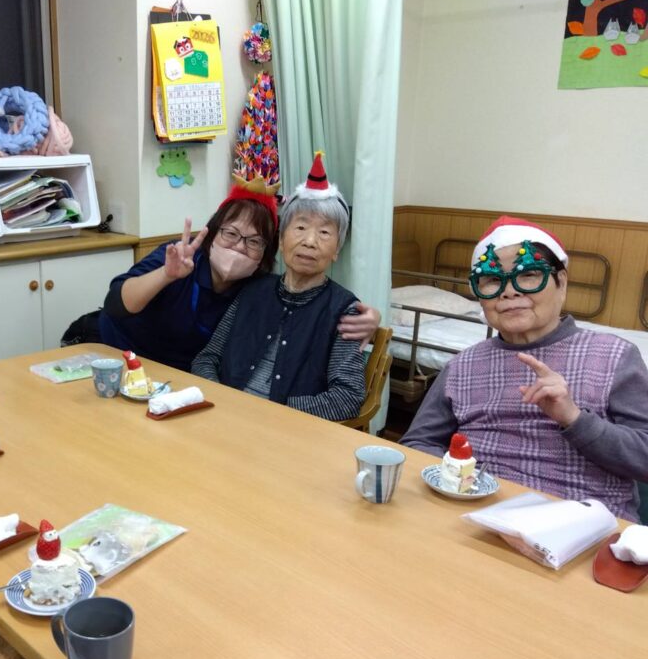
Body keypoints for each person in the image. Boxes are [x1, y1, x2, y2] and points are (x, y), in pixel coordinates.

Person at [401, 216, 648, 521]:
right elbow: (418, 443)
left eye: (528, 275)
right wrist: (456, 480)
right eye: (492, 280)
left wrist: (573, 418)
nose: (509, 292)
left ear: (562, 282)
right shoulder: (462, 365)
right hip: (477, 519)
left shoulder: (615, 356)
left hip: (585, 526)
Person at [90, 182, 380, 372]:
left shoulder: (258, 289)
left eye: (254, 241)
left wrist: (372, 319)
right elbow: (116, 304)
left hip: (177, 379)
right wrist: (166, 275)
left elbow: (302, 307)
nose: (240, 247)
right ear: (213, 233)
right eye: (230, 233)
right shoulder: (181, 257)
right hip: (115, 356)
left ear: (267, 252)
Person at [191, 154, 367, 421]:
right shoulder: (251, 290)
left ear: (336, 251)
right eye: (300, 227)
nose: (310, 241)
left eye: (324, 233)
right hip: (224, 415)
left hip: (287, 429)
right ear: (282, 241)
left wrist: (277, 411)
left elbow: (348, 397)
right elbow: (207, 358)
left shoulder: (344, 310)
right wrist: (222, 401)